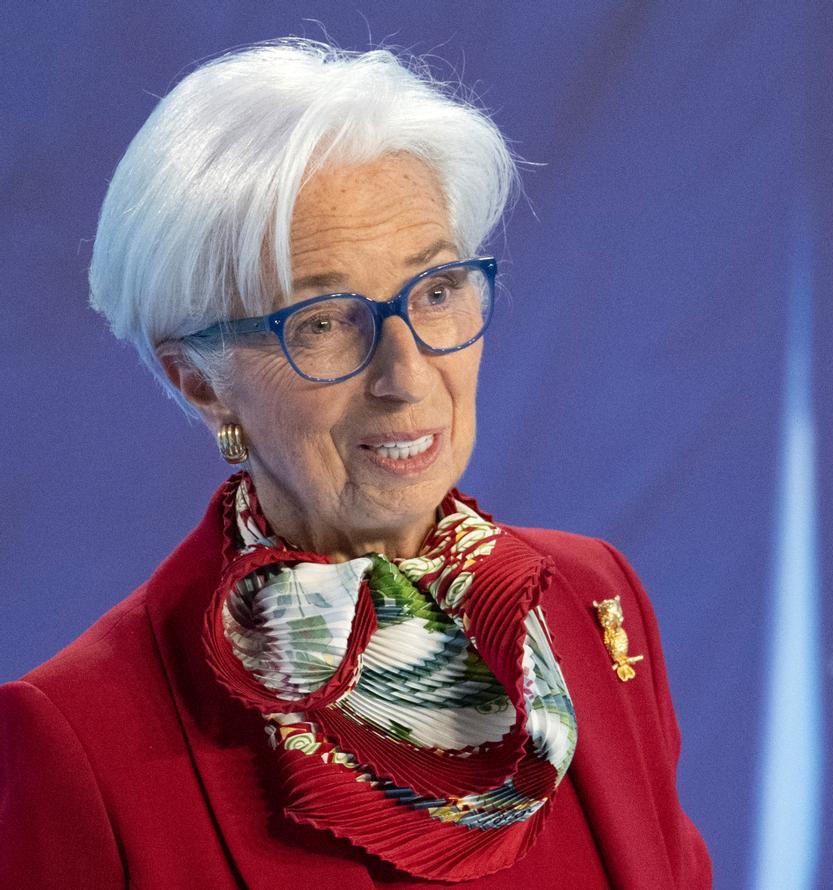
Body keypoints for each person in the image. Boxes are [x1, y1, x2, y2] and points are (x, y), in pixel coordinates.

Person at [0, 39, 710, 888]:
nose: (405, 377)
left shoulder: (596, 602)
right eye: (324, 321)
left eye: (437, 289)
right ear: (200, 383)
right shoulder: (77, 735)